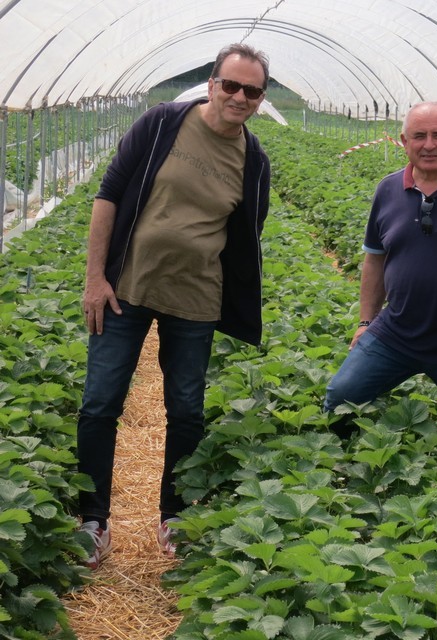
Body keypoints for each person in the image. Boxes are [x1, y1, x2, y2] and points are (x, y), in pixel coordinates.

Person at [76, 43, 272, 568]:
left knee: (185, 411)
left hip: (197, 301)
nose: (238, 96)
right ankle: (92, 520)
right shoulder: (162, 123)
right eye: (230, 84)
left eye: (250, 90)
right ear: (212, 83)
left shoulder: (254, 161)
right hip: (127, 290)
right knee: (100, 404)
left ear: (260, 99)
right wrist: (96, 279)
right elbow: (109, 194)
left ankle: (175, 515)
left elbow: (247, 234)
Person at [323, 102, 437, 456]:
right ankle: (343, 471)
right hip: (396, 331)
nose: (429, 144)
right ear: (404, 141)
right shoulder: (388, 190)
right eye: (419, 136)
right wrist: (366, 321)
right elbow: (375, 259)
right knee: (339, 399)